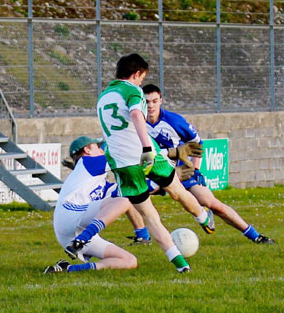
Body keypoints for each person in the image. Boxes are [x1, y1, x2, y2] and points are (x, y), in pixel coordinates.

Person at [95, 53, 215, 272]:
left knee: (149, 215)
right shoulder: (133, 91)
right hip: (146, 154)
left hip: (122, 163)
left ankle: (180, 265)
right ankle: (203, 218)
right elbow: (137, 117)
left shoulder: (103, 97)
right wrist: (147, 148)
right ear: (137, 73)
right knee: (177, 191)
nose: (142, 82)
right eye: (142, 77)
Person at [142, 83, 275, 244]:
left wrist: (195, 170)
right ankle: (142, 236)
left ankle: (255, 236)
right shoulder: (136, 123)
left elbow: (197, 144)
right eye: (147, 101)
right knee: (128, 197)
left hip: (179, 173)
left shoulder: (174, 121)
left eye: (154, 101)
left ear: (161, 100)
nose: (150, 105)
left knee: (212, 203)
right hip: (152, 174)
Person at [44, 136, 137, 274]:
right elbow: (123, 159)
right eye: (97, 147)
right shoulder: (86, 162)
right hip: (70, 215)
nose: (101, 150)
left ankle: (68, 269)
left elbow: (134, 189)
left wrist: (167, 183)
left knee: (129, 261)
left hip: (72, 231)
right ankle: (141, 235)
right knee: (124, 201)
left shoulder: (98, 180)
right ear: (87, 150)